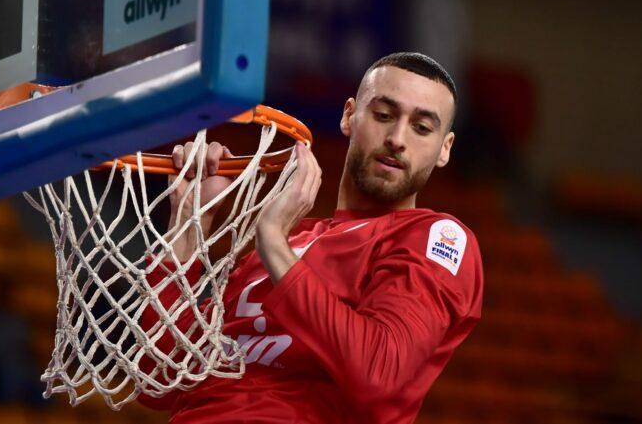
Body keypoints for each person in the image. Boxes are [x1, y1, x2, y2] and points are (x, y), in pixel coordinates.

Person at [138, 52, 484, 424]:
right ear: (349, 116)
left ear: (444, 148)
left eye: (421, 128)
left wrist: (273, 242)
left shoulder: (436, 236)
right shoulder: (290, 243)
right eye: (384, 115)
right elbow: (159, 379)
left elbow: (379, 374)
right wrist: (190, 220)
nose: (397, 139)